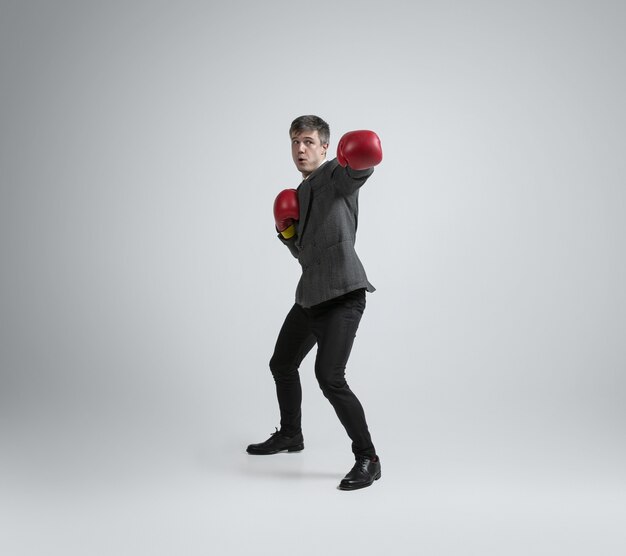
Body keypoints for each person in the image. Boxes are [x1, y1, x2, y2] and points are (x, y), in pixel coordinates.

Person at [246, 115, 383, 491]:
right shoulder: (299, 192)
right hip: (310, 297)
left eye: (307, 141)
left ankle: (368, 458)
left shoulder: (336, 175)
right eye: (294, 142)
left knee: (329, 377)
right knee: (282, 363)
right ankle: (291, 435)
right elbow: (304, 254)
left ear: (325, 147)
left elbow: (358, 171)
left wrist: (362, 159)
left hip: (342, 296)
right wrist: (287, 232)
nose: (300, 149)